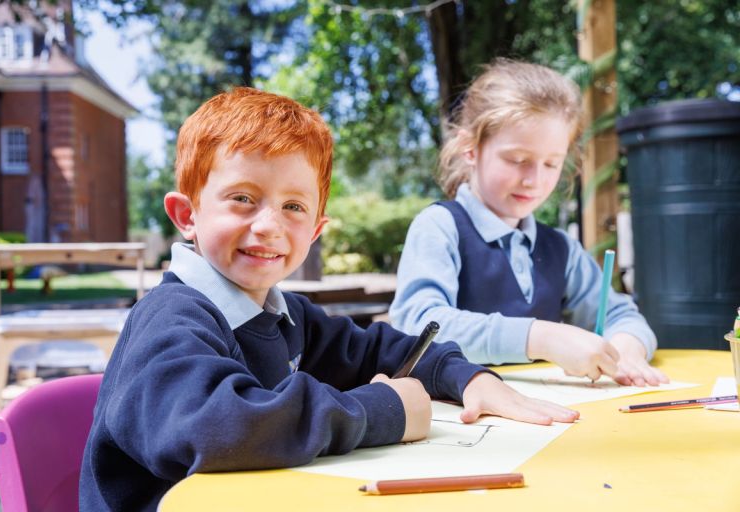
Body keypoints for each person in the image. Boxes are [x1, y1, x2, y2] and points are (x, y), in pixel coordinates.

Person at [80, 87, 579, 511]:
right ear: (187, 215)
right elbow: (215, 427)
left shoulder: (282, 314)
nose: (269, 225)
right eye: (243, 199)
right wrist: (384, 411)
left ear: (316, 230)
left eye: (293, 206)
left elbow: (375, 349)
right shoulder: (170, 319)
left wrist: (464, 376)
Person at [389, 59, 669, 387]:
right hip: (457, 414)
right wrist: (541, 337)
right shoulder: (440, 227)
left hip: (549, 412)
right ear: (470, 149)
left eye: (551, 164)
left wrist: (626, 349)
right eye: (517, 160)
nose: (534, 180)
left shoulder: (560, 248)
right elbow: (418, 326)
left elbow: (622, 316)